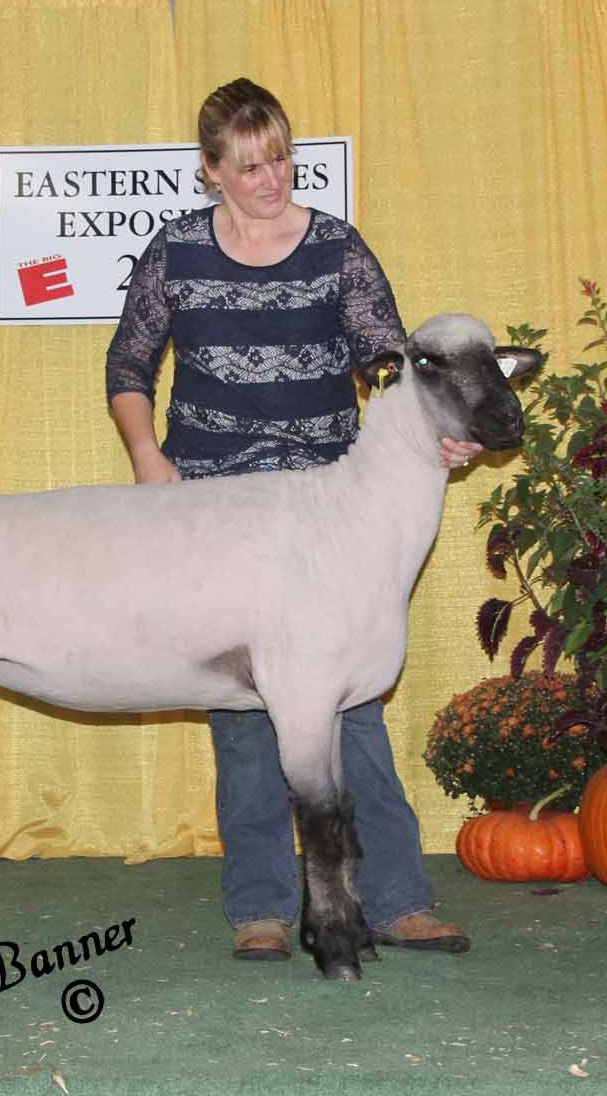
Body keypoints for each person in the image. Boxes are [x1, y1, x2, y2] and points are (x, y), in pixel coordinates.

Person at [104, 77, 479, 963]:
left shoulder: (337, 249)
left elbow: (394, 374)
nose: (270, 179)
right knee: (240, 710)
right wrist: (146, 455)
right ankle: (262, 907)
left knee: (351, 709)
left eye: (278, 158)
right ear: (211, 172)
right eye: (248, 166)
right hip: (214, 506)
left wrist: (446, 437)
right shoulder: (176, 253)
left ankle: (396, 901)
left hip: (324, 507)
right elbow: (128, 363)